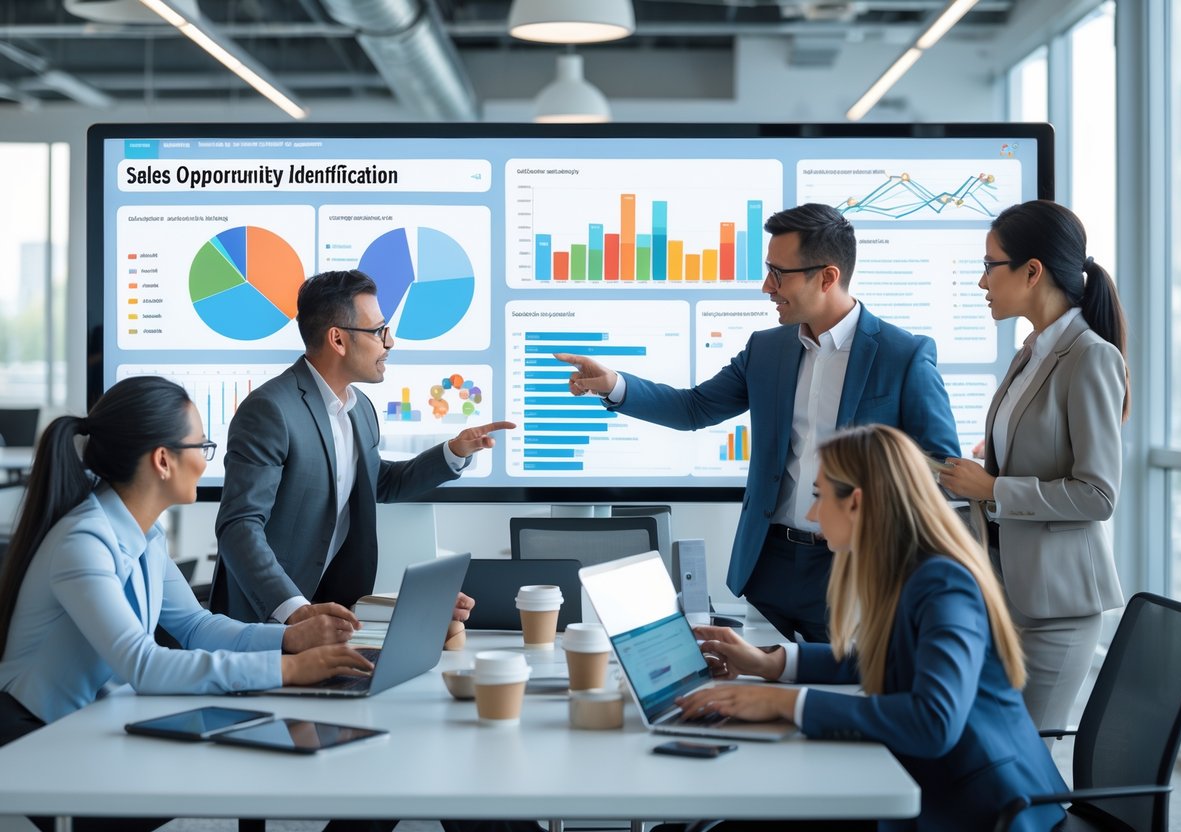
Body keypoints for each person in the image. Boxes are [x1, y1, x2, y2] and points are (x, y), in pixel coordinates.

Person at [556, 203, 960, 643]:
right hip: (769, 566)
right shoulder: (767, 349)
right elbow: (695, 408)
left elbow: (940, 468)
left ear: (827, 277)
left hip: (856, 570)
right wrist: (614, 384)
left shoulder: (904, 356)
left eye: (779, 274)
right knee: (753, 691)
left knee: (835, 699)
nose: (767, 287)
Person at [0, 376, 372, 832]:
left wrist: (291, 639)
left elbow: (196, 625)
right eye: (202, 445)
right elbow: (145, 665)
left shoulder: (141, 534)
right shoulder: (83, 542)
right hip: (40, 738)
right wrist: (290, 669)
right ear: (163, 460)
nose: (205, 459)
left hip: (95, 719)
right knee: (232, 763)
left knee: (254, 749)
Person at [670, 425, 1066, 832]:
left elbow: (934, 721)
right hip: (939, 786)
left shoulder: (944, 583)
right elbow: (891, 661)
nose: (809, 514)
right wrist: (770, 664)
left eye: (819, 496)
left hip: (986, 810)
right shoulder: (912, 570)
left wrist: (784, 704)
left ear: (856, 503)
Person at [211, 269, 514, 625]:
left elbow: (378, 482)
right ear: (338, 340)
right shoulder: (271, 410)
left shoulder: (360, 408)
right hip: (266, 619)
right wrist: (295, 611)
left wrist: (454, 452)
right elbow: (239, 526)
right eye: (378, 331)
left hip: (332, 610)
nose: (390, 342)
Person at [939, 200, 1128, 731]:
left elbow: (1099, 496)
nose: (981, 282)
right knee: (989, 753)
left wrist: (996, 487)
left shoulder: (1090, 356)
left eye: (989, 265)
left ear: (1032, 271)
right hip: (1005, 590)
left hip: (1056, 609)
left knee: (1023, 761)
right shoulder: (1031, 352)